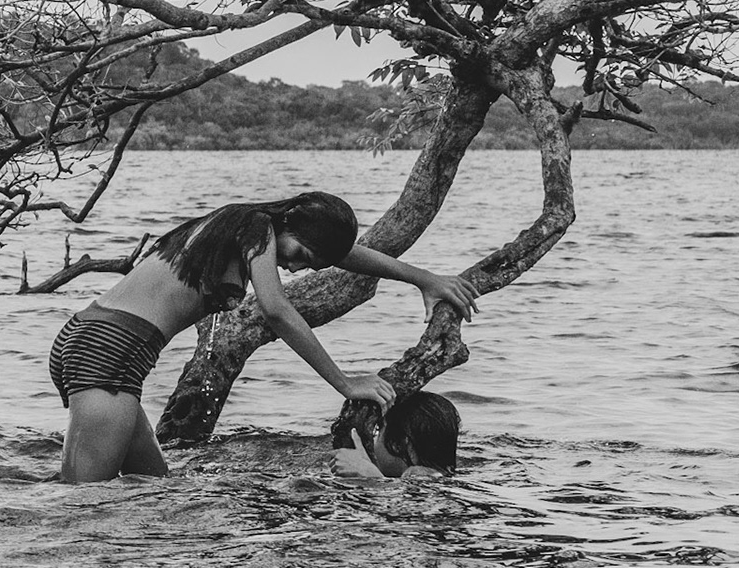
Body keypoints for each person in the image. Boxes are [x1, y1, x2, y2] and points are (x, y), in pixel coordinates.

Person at [50, 191, 479, 482]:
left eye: (310, 265)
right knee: (83, 507)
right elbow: (276, 310)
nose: (295, 268)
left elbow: (348, 256)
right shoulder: (256, 228)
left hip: (102, 346)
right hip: (108, 352)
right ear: (289, 226)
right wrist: (345, 383)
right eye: (301, 256)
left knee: (152, 488)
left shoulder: (248, 224)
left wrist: (424, 279)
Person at [333, 390, 462, 479]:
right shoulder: (445, 477)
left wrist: (370, 476)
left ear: (400, 444)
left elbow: (413, 509)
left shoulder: (418, 477)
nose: (373, 440)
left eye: (377, 430)